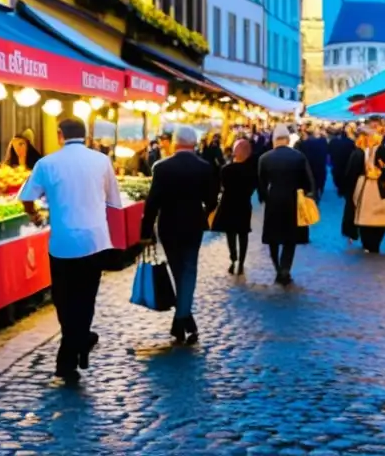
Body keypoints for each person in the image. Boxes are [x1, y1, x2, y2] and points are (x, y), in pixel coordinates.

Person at [17, 117, 123, 383]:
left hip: (63, 241)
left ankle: (70, 353)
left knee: (63, 299)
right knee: (86, 297)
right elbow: (113, 200)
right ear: (85, 135)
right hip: (95, 240)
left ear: (60, 134)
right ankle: (78, 344)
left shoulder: (47, 163)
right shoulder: (101, 161)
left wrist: (36, 217)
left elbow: (27, 198)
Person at [141, 125, 218, 345]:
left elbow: (152, 202)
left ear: (175, 143)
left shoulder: (162, 167)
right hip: (193, 223)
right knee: (189, 269)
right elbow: (212, 198)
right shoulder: (204, 167)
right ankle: (183, 317)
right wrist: (203, 211)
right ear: (194, 143)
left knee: (177, 269)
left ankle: (181, 319)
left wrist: (146, 232)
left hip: (168, 225)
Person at [257, 124, 313, 285]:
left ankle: (277, 268)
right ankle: (285, 269)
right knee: (290, 238)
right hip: (292, 200)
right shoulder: (299, 157)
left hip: (273, 199)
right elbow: (308, 181)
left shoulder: (265, 158)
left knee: (273, 238)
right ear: (288, 140)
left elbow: (261, 184)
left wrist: (264, 198)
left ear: (274, 140)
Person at [212, 139, 257, 275]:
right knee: (243, 234)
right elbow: (253, 187)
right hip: (244, 204)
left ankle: (233, 259)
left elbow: (223, 186)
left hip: (229, 204)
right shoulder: (251, 172)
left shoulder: (226, 170)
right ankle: (241, 263)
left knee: (230, 233)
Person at [343, 130, 385, 253]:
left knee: (364, 215)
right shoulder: (383, 152)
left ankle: (367, 243)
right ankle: (373, 243)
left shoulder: (360, 153)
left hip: (365, 187)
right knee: (378, 215)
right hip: (377, 189)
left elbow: (350, 174)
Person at [296, 127, 329, 201]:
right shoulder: (323, 141)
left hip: (311, 166)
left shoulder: (305, 143)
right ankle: (319, 190)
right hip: (320, 165)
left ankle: (315, 193)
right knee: (320, 179)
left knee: (313, 181)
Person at [328, 127, 354, 199]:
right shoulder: (351, 142)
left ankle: (340, 188)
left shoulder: (333, 141)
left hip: (336, 161)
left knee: (337, 175)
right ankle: (344, 189)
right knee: (345, 175)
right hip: (347, 161)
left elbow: (329, 151)